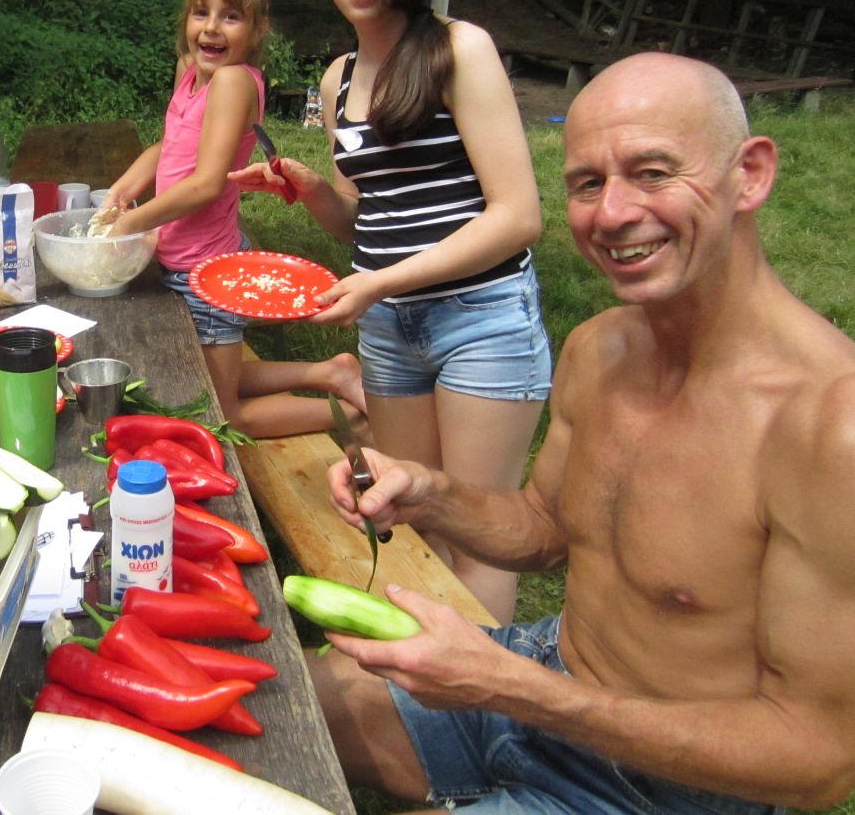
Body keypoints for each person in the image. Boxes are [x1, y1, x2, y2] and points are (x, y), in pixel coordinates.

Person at [311, 52, 855, 813]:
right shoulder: (602, 349)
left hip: (670, 791)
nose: (613, 213)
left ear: (751, 174)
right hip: (548, 675)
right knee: (280, 698)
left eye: (654, 173)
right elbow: (544, 529)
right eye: (588, 183)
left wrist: (513, 688)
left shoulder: (829, 428)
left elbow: (820, 759)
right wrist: (430, 493)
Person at [231, 0, 549, 621]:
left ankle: (483, 684)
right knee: (414, 518)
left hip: (481, 319)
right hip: (390, 329)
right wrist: (314, 191)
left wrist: (380, 281)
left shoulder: (459, 49)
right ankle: (422, 681)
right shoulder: (338, 78)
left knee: (479, 535)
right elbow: (363, 222)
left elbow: (517, 216)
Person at [102, 0, 366, 438]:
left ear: (258, 28)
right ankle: (331, 372)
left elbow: (207, 183)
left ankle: (350, 418)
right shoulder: (191, 71)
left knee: (223, 417)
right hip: (182, 259)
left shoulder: (231, 80)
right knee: (207, 374)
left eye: (231, 16)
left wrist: (131, 223)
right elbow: (170, 144)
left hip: (205, 271)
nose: (211, 28)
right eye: (201, 13)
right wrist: (124, 188)